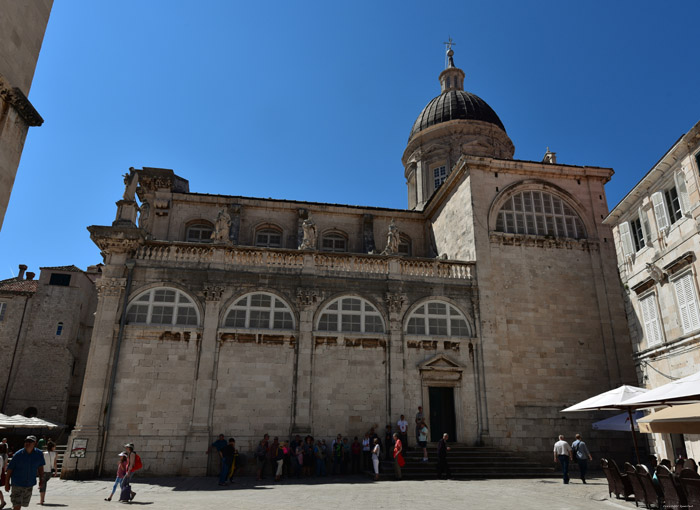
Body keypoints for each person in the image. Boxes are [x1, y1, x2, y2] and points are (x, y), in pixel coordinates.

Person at [4, 435, 45, 509]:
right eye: (26, 441)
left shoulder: (39, 454)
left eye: (30, 442)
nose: (27, 443)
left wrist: (41, 480)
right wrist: (7, 483)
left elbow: (40, 468)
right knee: (17, 505)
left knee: (24, 504)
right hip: (17, 484)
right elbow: (10, 469)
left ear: (34, 443)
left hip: (29, 484)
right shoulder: (18, 455)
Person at [0, 443, 8, 509]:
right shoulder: (3, 456)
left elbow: (4, 465)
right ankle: (2, 502)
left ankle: (2, 502)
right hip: (1, 472)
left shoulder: (2, 456)